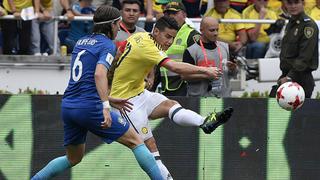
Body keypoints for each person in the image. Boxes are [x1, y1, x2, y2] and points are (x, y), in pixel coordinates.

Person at [31, 6, 162, 180]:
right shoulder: (108, 44)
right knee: (137, 141)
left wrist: (109, 98)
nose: (118, 28)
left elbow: (84, 79)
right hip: (90, 107)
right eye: (118, 24)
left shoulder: (81, 41)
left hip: (69, 106)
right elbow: (99, 73)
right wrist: (105, 106)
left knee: (73, 158)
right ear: (112, 25)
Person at [110, 16, 234, 179]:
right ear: (156, 31)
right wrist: (206, 70)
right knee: (150, 145)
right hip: (125, 102)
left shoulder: (140, 36)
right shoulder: (148, 45)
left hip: (140, 93)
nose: (170, 42)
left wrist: (149, 73)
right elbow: (174, 67)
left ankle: (204, 122)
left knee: (171, 105)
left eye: (173, 38)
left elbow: (121, 54)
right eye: (167, 37)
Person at [182, 17, 238, 97]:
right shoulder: (191, 51)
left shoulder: (225, 47)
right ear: (201, 30)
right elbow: (184, 76)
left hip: (223, 97)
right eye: (212, 30)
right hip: (200, 99)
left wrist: (233, 69)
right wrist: (206, 75)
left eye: (217, 30)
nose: (215, 33)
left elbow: (233, 74)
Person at [277, 0, 319, 98]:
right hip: (287, 77)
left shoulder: (308, 26)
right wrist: (285, 76)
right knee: (275, 110)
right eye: (290, 3)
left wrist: (289, 77)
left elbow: (304, 57)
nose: (293, 6)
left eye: (296, 3)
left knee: (299, 113)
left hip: (300, 79)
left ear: (303, 4)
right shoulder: (291, 23)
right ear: (285, 4)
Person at [159, 2, 200, 96]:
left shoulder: (192, 35)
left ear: (184, 15)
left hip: (184, 87)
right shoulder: (160, 33)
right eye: (167, 14)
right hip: (164, 86)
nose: (170, 16)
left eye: (174, 13)